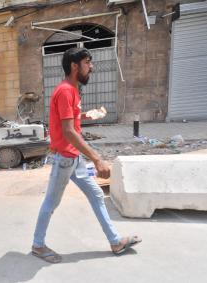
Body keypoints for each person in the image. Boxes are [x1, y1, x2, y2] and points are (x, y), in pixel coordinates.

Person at [31, 48, 141, 263]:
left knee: (97, 195)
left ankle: (115, 241)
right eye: (88, 62)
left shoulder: (72, 90)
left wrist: (85, 114)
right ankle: (37, 244)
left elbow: (69, 119)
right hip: (65, 158)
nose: (92, 67)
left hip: (75, 159)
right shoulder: (65, 91)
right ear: (75, 66)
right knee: (51, 203)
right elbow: (68, 131)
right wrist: (97, 159)